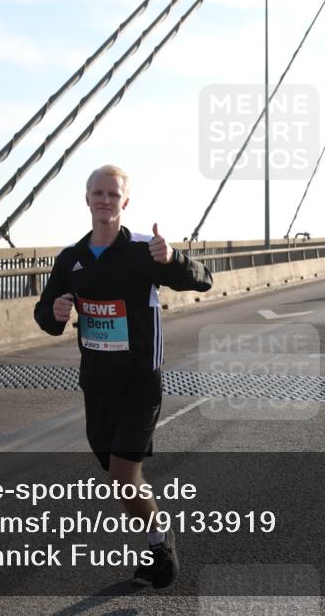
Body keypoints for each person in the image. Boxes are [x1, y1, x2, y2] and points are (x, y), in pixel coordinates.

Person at [34, 164, 213, 589]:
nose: (105, 200)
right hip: (96, 385)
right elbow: (45, 314)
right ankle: (156, 536)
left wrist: (173, 259)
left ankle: (159, 543)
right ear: (87, 199)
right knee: (118, 478)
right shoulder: (71, 258)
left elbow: (204, 280)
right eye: (98, 193)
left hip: (139, 383)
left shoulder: (143, 250)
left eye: (113, 194)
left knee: (122, 474)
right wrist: (54, 314)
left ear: (125, 202)